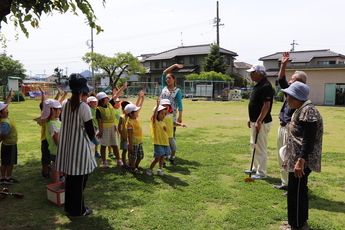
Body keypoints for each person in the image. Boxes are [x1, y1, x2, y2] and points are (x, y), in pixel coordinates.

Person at [280, 81, 323, 230]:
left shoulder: (308, 111)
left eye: (289, 96)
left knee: (297, 193)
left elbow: (309, 138)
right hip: (297, 159)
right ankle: (297, 221)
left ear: (297, 97)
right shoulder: (301, 109)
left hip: (301, 160)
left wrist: (301, 160)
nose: (287, 99)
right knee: (295, 190)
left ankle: (297, 225)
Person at [56, 73, 96, 217]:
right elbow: (91, 132)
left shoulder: (65, 104)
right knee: (79, 182)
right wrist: (96, 141)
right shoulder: (83, 107)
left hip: (67, 147)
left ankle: (70, 208)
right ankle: (78, 211)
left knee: (71, 181)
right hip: (80, 149)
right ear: (82, 90)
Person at [274, 52, 308, 192]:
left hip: (291, 129)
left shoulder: (300, 97)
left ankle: (292, 186)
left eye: (292, 79)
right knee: (281, 156)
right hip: (281, 127)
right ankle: (285, 183)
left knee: (290, 157)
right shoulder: (289, 92)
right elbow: (281, 78)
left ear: (300, 82)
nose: (289, 82)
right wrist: (283, 64)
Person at [245, 64, 274, 180]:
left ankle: (261, 173)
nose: (250, 75)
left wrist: (258, 121)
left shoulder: (266, 86)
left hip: (262, 122)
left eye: (252, 73)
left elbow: (266, 106)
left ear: (260, 73)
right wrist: (251, 118)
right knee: (253, 145)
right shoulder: (258, 85)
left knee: (260, 147)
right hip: (255, 121)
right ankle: (255, 168)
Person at [96, 83, 127, 168]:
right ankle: (104, 161)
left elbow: (116, 95)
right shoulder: (99, 109)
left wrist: (123, 87)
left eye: (106, 98)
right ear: (101, 100)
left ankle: (118, 159)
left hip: (113, 127)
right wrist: (101, 131)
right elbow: (99, 121)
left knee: (114, 144)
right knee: (104, 145)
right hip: (105, 128)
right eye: (105, 99)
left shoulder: (110, 104)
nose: (107, 99)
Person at [118, 91, 145, 169]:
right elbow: (120, 128)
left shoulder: (134, 117)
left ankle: (130, 163)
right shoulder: (123, 118)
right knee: (125, 150)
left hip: (133, 139)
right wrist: (122, 135)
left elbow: (137, 106)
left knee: (131, 152)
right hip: (126, 138)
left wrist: (140, 98)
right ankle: (126, 164)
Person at [0, 89, 19, 184]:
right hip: (9, 145)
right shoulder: (5, 123)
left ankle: (2, 177)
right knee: (9, 162)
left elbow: (5, 105)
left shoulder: (3, 119)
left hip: (6, 145)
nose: (7, 109)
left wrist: (9, 96)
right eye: (5, 109)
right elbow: (2, 135)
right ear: (1, 113)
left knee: (4, 162)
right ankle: (7, 178)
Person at [160, 99, 187, 166]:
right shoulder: (161, 116)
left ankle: (171, 158)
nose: (165, 107)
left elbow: (173, 123)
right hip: (163, 136)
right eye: (163, 106)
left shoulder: (171, 115)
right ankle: (162, 162)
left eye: (167, 106)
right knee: (163, 150)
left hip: (170, 135)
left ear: (170, 107)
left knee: (174, 147)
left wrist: (180, 124)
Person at [41, 99, 62, 184]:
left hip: (57, 150)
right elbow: (57, 140)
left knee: (57, 167)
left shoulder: (55, 121)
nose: (60, 112)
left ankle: (59, 181)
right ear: (53, 111)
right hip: (56, 150)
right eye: (59, 110)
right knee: (55, 168)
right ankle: (55, 185)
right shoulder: (52, 124)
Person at [146, 100, 170, 176]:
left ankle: (160, 169)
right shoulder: (154, 122)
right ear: (157, 114)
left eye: (164, 113)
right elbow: (154, 115)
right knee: (157, 158)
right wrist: (157, 105)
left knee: (162, 157)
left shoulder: (162, 122)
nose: (164, 115)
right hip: (158, 143)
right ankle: (150, 169)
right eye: (162, 113)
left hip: (164, 142)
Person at [125, 97, 144, 174]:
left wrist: (141, 99)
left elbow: (138, 108)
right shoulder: (129, 123)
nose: (137, 112)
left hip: (139, 141)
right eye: (135, 111)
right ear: (130, 113)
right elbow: (129, 135)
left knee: (141, 155)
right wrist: (131, 145)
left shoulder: (136, 118)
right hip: (134, 142)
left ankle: (136, 165)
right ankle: (133, 168)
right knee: (133, 157)